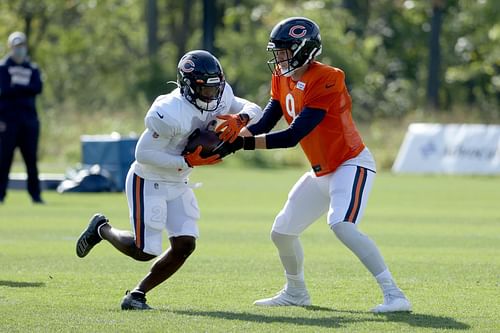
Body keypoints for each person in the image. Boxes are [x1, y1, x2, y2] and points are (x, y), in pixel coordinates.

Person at [216, 17, 411, 313]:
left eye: (284, 50)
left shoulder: (329, 77)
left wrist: (240, 144)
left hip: (351, 163)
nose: (278, 58)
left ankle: (395, 295)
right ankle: (296, 292)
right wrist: (232, 137)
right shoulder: (282, 77)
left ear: (304, 49)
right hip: (321, 171)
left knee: (342, 224)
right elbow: (269, 118)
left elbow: (294, 135)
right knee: (281, 232)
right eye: (277, 51)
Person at [75, 50, 262, 310]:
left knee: (185, 244)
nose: (212, 95)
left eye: (215, 88)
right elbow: (143, 153)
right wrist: (186, 161)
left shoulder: (221, 95)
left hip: (179, 180)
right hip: (148, 178)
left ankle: (136, 295)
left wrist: (241, 118)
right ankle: (102, 229)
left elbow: (256, 109)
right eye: (205, 90)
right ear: (187, 86)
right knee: (144, 251)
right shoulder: (169, 111)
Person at [0, 31, 44, 204]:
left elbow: (37, 88)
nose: (19, 50)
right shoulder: (3, 68)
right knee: (4, 160)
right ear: (11, 47)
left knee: (31, 161)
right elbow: (5, 90)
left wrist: (16, 86)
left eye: (21, 46)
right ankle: (1, 195)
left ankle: (36, 196)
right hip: (8, 122)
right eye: (16, 46)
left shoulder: (32, 69)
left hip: (29, 122)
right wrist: (22, 87)